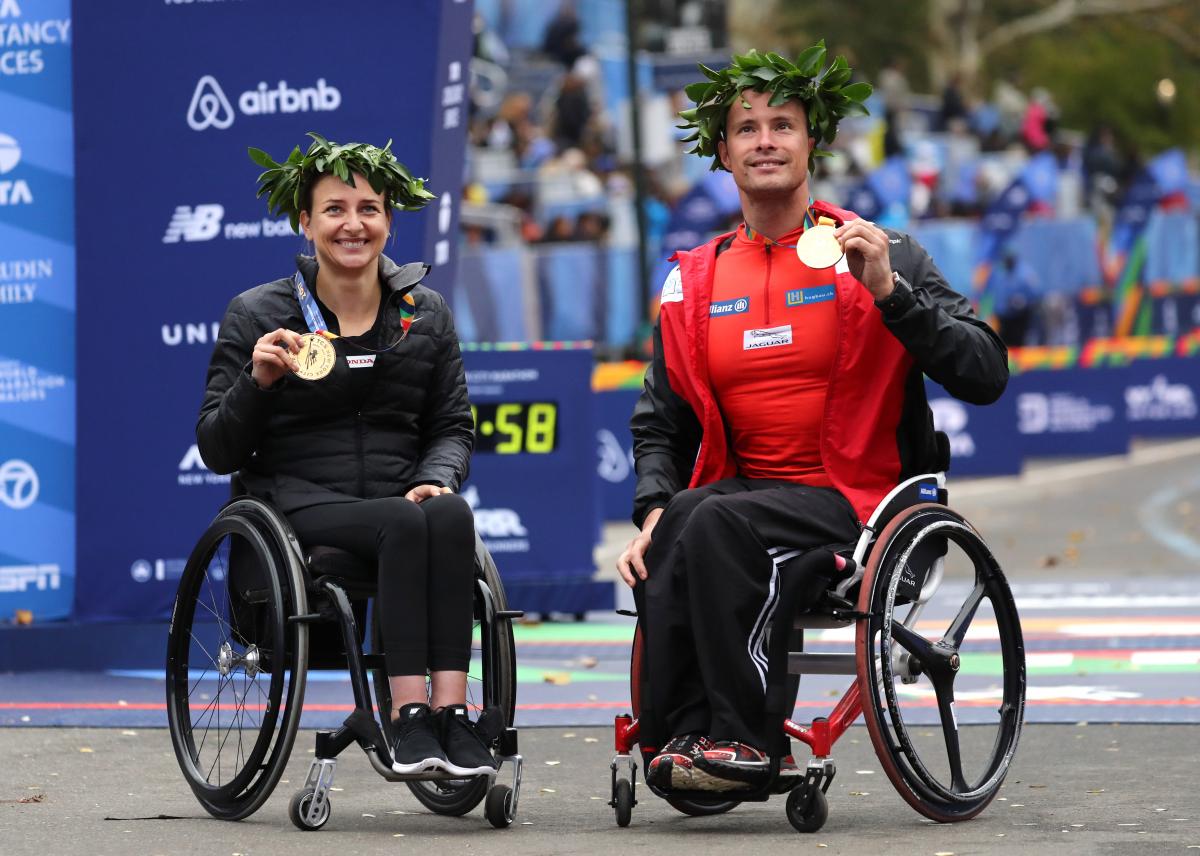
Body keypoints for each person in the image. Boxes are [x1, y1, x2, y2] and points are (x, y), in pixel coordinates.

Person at [617, 45, 1009, 793]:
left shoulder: (881, 250)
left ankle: (746, 741)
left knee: (713, 523)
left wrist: (894, 295)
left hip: (857, 504)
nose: (765, 140)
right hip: (739, 498)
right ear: (723, 152)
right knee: (684, 521)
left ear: (812, 142)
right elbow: (659, 420)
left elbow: (985, 372)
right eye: (747, 128)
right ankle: (682, 738)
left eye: (783, 125)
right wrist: (652, 506)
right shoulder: (693, 279)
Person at [196, 133, 495, 779]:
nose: (352, 224)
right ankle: (407, 716)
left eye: (368, 208)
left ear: (389, 220)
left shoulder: (427, 313)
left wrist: (435, 478)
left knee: (447, 516)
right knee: (405, 521)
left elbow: (451, 425)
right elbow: (218, 448)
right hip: (298, 502)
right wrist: (259, 383)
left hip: (399, 499)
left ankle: (451, 715)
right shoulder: (259, 312)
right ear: (305, 222)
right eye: (334, 209)